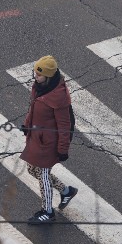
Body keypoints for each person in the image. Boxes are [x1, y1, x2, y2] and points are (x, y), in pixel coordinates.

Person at [20, 55, 78, 225]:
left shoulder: (59, 98)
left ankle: (47, 211)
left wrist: (63, 149)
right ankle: (66, 191)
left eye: (38, 75)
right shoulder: (39, 87)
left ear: (48, 76)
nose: (35, 77)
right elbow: (33, 108)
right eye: (35, 74)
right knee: (32, 170)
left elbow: (64, 125)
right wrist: (26, 125)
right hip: (37, 138)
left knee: (43, 174)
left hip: (49, 143)